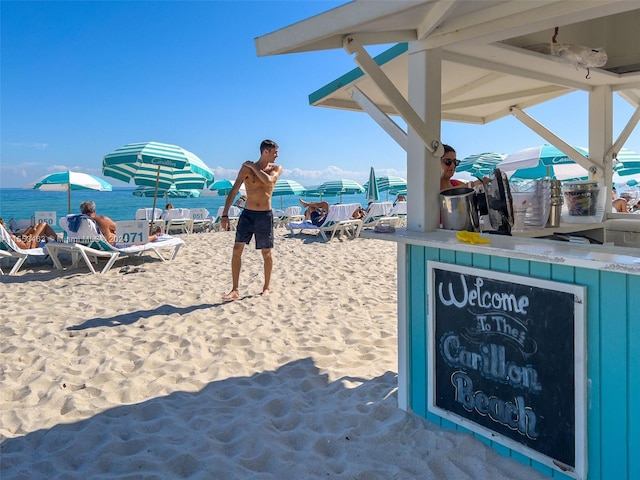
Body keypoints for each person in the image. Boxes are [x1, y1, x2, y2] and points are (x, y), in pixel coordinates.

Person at [221, 139, 283, 300]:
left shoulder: (276, 168)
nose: (277, 155)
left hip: (265, 215)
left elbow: (268, 181)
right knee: (236, 250)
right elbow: (234, 191)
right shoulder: (245, 170)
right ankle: (235, 289)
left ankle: (267, 287)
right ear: (265, 152)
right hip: (248, 215)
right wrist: (225, 214)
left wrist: (253, 166)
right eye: (275, 152)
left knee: (266, 252)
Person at [80, 200, 162, 245]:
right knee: (137, 238)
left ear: (82, 211)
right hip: (108, 246)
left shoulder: (80, 221)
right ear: (94, 210)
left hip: (90, 247)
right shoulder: (102, 219)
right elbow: (121, 228)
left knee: (109, 232)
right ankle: (155, 236)